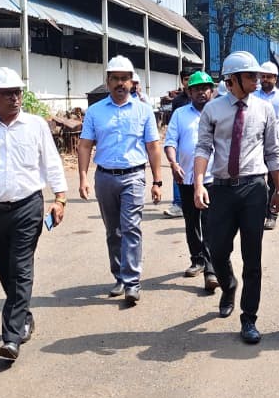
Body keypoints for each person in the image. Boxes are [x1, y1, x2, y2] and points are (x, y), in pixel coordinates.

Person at [0, 67, 68, 360]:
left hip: (28, 207)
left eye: (17, 93)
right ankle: (24, 316)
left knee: (20, 268)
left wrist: (60, 199)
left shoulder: (35, 126)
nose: (14, 99)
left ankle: (11, 337)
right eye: (7, 94)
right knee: (5, 270)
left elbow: (52, 163)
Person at [193, 51, 279, 344]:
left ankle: (249, 318)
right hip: (221, 188)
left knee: (252, 256)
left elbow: (273, 151)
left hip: (254, 188)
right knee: (217, 249)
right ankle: (229, 284)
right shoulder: (213, 110)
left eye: (257, 75)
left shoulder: (265, 109)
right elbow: (203, 148)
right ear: (232, 79)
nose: (257, 80)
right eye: (250, 76)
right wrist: (198, 184)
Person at [77, 55, 163, 304]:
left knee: (131, 228)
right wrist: (82, 177)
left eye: (124, 79)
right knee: (113, 231)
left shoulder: (143, 111)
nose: (120, 83)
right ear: (108, 81)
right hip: (105, 177)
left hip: (133, 176)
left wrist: (157, 181)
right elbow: (85, 146)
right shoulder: (95, 112)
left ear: (132, 82)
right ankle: (120, 277)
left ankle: (132, 282)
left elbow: (153, 147)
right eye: (115, 78)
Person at [163, 71, 219, 291]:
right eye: (196, 89)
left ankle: (211, 269)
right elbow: (170, 142)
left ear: (212, 91)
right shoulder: (180, 114)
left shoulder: (219, 112)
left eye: (205, 88)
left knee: (211, 223)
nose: (201, 92)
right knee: (191, 221)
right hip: (186, 177)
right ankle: (197, 259)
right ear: (189, 92)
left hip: (214, 178)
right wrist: (173, 163)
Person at [254, 61, 279, 230]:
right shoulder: (253, 96)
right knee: (256, 179)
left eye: (268, 77)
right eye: (262, 76)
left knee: (274, 179)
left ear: (275, 78)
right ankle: (258, 212)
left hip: (277, 142)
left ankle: (271, 215)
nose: (265, 79)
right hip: (257, 142)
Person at [165, 71, 192, 218]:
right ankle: (178, 204)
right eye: (186, 79)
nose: (189, 82)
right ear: (182, 81)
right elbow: (173, 125)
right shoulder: (178, 101)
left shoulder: (206, 101)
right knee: (178, 171)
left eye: (191, 79)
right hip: (181, 143)